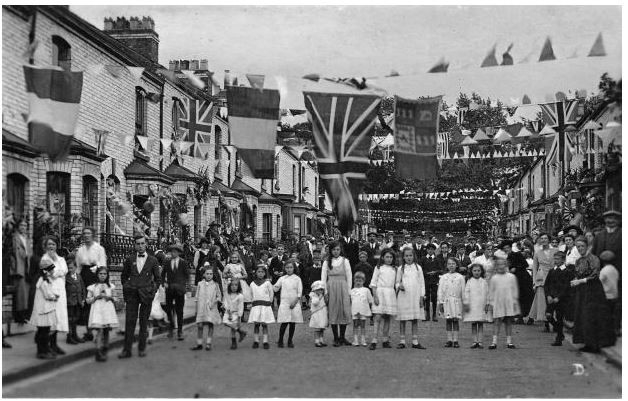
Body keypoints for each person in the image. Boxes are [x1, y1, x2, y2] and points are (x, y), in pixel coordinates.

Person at [119, 234, 161, 359]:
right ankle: (127, 350)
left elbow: (158, 279)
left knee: (144, 322)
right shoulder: (130, 259)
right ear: (134, 245)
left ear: (146, 244)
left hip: (146, 295)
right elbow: (123, 277)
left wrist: (152, 291)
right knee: (130, 322)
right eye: (138, 244)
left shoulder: (153, 260)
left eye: (143, 243)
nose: (141, 246)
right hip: (132, 295)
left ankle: (142, 349)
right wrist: (127, 287)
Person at [571, 243, 615, 353]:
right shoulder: (579, 260)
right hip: (582, 291)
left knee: (590, 316)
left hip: (593, 291)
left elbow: (595, 275)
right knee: (582, 316)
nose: (580, 248)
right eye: (578, 247)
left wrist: (580, 281)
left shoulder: (593, 258)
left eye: (582, 246)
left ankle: (595, 344)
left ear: (587, 247)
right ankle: (587, 343)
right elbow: (578, 273)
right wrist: (575, 279)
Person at [75, 227, 107, 342]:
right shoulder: (80, 250)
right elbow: (78, 267)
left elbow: (103, 265)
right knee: (86, 305)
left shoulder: (99, 249)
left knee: (97, 304)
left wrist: (100, 276)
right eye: (84, 233)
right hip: (84, 277)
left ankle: (100, 332)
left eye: (88, 233)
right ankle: (89, 332)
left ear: (93, 235)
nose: (86, 235)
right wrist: (75, 280)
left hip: (96, 277)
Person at [39, 235, 68, 356]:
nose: (51, 246)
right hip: (49, 290)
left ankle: (54, 344)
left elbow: (65, 270)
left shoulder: (61, 259)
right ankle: (46, 347)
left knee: (58, 317)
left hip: (60, 290)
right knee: (50, 318)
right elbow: (51, 273)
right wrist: (57, 272)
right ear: (45, 246)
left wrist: (57, 272)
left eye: (53, 244)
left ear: (57, 246)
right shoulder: (44, 259)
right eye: (49, 244)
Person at [321, 241, 353, 347]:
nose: (336, 252)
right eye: (334, 249)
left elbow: (349, 276)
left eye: (338, 249)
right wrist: (325, 291)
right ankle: (336, 338)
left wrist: (349, 292)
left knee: (343, 310)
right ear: (330, 250)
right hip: (331, 288)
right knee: (333, 310)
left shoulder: (345, 261)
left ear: (341, 250)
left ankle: (342, 337)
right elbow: (323, 278)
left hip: (343, 287)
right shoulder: (326, 262)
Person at [395, 247, 426, 349]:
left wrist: (421, 296)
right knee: (403, 319)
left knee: (414, 319)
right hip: (403, 297)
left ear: (414, 256)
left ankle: (415, 341)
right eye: (406, 256)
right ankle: (402, 341)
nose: (409, 257)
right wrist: (399, 286)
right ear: (403, 257)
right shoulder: (400, 269)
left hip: (415, 297)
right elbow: (396, 282)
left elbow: (422, 283)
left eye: (410, 255)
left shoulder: (418, 268)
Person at [86, 267, 118, 362]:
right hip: (98, 310)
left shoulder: (111, 286)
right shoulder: (93, 287)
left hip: (107, 310)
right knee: (99, 331)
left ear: (107, 275)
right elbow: (88, 300)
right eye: (100, 274)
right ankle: (98, 351)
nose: (103, 276)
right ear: (97, 275)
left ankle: (105, 348)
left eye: (104, 274)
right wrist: (96, 297)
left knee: (106, 331)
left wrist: (110, 298)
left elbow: (116, 298)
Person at [487, 258, 520, 349]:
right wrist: (491, 303)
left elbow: (514, 290)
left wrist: (514, 301)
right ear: (496, 266)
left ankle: (509, 342)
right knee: (497, 322)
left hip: (509, 302)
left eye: (503, 265)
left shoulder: (511, 277)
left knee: (508, 321)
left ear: (506, 266)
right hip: (498, 302)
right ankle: (494, 342)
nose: (501, 266)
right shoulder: (494, 278)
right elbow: (491, 291)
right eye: (499, 265)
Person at [369, 248, 397, 350]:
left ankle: (385, 340)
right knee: (377, 317)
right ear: (382, 257)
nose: (389, 259)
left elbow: (397, 283)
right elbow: (373, 282)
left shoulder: (395, 269)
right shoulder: (378, 268)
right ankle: (374, 340)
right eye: (387, 257)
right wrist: (375, 296)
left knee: (387, 318)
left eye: (391, 257)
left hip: (390, 294)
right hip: (380, 293)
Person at [499, 240, 533, 324]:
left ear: (510, 247)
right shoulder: (508, 257)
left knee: (524, 297)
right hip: (514, 279)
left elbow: (525, 264)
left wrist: (516, 268)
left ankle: (524, 317)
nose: (506, 249)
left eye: (507, 248)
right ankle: (515, 316)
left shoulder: (517, 254)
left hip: (523, 278)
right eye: (504, 248)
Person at [544, 251, 574, 347]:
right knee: (548, 315)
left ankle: (558, 339)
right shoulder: (552, 271)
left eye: (558, 259)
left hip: (561, 299)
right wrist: (548, 295)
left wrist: (558, 297)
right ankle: (560, 333)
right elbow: (547, 285)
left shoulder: (567, 272)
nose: (555, 261)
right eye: (555, 259)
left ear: (563, 260)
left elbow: (566, 287)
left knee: (559, 317)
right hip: (551, 298)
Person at [527, 233, 556, 329]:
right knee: (542, 299)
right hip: (541, 277)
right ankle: (545, 322)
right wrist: (534, 282)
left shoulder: (556, 251)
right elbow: (535, 268)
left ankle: (553, 319)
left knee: (551, 298)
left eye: (545, 238)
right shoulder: (537, 252)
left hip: (552, 277)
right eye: (542, 238)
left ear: (549, 240)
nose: (543, 240)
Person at [30, 263, 58, 359]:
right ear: (46, 271)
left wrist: (53, 295)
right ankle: (41, 351)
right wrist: (55, 297)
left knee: (44, 330)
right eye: (51, 270)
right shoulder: (43, 281)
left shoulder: (46, 280)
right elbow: (47, 295)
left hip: (45, 309)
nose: (53, 272)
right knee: (43, 331)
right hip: (42, 310)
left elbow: (49, 292)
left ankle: (44, 349)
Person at [191, 267, 222, 351]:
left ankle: (208, 343)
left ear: (213, 275)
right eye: (207, 274)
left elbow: (219, 296)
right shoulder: (200, 284)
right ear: (204, 274)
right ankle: (199, 343)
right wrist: (196, 309)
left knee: (210, 325)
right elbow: (197, 297)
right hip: (201, 308)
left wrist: (214, 301)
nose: (209, 276)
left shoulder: (215, 285)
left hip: (211, 308)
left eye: (211, 274)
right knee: (200, 325)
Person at [273, 260, 303, 348]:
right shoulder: (282, 278)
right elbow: (275, 288)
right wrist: (270, 284)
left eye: (291, 267)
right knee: (284, 322)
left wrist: (295, 301)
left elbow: (299, 292)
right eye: (287, 268)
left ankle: (290, 341)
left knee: (292, 323)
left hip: (294, 303)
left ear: (294, 268)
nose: (289, 269)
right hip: (285, 303)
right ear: (284, 269)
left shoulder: (297, 278)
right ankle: (280, 340)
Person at [163, 244, 189, 341]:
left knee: (179, 311)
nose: (173, 253)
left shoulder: (183, 263)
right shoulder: (167, 262)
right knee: (169, 310)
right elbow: (162, 274)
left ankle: (180, 331)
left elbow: (187, 276)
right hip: (169, 289)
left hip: (179, 290)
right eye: (172, 251)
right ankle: (171, 327)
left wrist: (184, 285)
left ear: (178, 253)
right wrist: (163, 283)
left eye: (175, 251)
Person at [438, 258, 465, 348]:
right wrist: (440, 302)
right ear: (447, 265)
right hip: (447, 301)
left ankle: (455, 340)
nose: (451, 265)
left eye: (453, 264)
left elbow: (463, 291)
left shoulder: (460, 277)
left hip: (457, 301)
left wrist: (464, 302)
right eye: (449, 264)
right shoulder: (443, 277)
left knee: (455, 320)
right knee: (448, 320)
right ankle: (449, 340)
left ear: (456, 265)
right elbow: (440, 291)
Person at [248, 265, 275, 349]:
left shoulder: (267, 283)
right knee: (256, 324)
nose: (260, 274)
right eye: (258, 272)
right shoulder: (252, 283)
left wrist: (270, 302)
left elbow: (271, 293)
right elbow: (251, 294)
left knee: (264, 324)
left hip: (265, 306)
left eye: (262, 272)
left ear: (265, 273)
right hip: (256, 306)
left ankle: (265, 341)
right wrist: (251, 302)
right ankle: (256, 341)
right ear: (256, 273)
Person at [10, 219, 31, 324]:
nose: (23, 227)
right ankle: (19, 316)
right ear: (18, 227)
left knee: (25, 292)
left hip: (26, 267)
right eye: (21, 225)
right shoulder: (15, 238)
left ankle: (23, 315)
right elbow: (14, 253)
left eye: (25, 226)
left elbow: (29, 253)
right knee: (19, 292)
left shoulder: (26, 239)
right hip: (19, 267)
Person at [463, 264, 489, 349]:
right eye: (474, 271)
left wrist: (487, 303)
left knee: (480, 324)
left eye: (478, 270)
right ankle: (474, 341)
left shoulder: (484, 282)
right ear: (471, 272)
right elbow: (466, 293)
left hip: (481, 305)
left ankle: (480, 341)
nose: (477, 272)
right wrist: (466, 303)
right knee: (474, 324)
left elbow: (487, 293)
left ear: (481, 271)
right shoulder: (469, 281)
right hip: (473, 305)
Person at [598, 251, 620, 337]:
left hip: (606, 295)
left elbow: (599, 282)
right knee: (612, 315)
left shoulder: (604, 270)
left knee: (604, 315)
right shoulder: (614, 270)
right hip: (614, 295)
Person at [65, 256, 86, 344]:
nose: (70, 270)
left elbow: (83, 288)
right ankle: (69, 336)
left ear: (75, 268)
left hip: (78, 301)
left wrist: (83, 299)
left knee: (76, 318)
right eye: (68, 268)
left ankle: (75, 335)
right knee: (70, 319)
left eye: (72, 268)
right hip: (70, 302)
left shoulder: (79, 276)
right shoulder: (66, 278)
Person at [350, 272, 373, 347]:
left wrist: (370, 310)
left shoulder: (366, 290)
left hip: (363, 311)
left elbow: (370, 301)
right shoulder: (351, 291)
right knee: (355, 325)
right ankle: (355, 340)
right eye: (357, 281)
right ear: (354, 281)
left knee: (363, 325)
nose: (358, 282)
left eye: (360, 281)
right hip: (354, 311)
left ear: (364, 281)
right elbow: (350, 302)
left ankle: (363, 339)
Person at [223, 279, 247, 350]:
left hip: (236, 314)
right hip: (228, 313)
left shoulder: (240, 296)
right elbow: (225, 303)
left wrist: (239, 317)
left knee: (233, 330)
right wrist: (229, 313)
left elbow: (240, 307)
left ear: (238, 286)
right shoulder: (227, 294)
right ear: (229, 286)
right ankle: (240, 332)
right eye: (232, 285)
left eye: (236, 285)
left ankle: (234, 343)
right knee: (225, 322)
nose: (234, 287)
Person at [420, 243, 440, 321]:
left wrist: (435, 272)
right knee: (426, 298)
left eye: (432, 249)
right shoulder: (423, 259)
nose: (430, 251)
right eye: (429, 249)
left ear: (434, 250)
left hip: (435, 280)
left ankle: (434, 314)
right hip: (426, 280)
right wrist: (427, 273)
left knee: (434, 297)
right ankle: (427, 314)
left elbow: (441, 269)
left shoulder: (437, 259)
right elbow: (421, 269)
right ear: (427, 250)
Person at [309, 280, 328, 347]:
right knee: (317, 328)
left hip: (322, 314)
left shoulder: (323, 296)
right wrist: (319, 298)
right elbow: (315, 303)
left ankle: (321, 340)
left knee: (322, 328)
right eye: (318, 289)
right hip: (316, 314)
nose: (320, 291)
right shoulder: (313, 296)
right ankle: (317, 341)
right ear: (314, 290)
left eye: (321, 290)